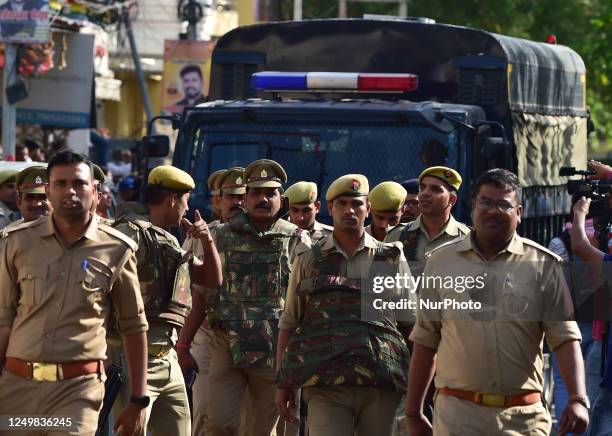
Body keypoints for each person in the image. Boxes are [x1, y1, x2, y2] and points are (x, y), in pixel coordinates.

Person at [405, 168, 589, 436]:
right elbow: (425, 340)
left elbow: (565, 338)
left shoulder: (543, 266)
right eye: (485, 202)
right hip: (458, 417)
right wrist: (414, 411)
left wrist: (577, 399)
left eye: (503, 204)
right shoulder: (441, 263)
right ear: (473, 208)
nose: (493, 210)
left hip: (522, 420)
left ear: (519, 213)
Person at [0, 150, 149, 436]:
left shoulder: (117, 249)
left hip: (77, 391)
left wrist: (138, 400)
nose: (70, 191)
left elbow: (134, 327)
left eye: (79, 184)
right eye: (60, 184)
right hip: (18, 389)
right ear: (48, 190)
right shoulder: (17, 243)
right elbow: (4, 320)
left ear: (94, 190)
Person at [276, 174, 412, 436]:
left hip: (381, 384)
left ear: (368, 209)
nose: (350, 210)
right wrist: (283, 384)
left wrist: (417, 390)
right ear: (330, 208)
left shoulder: (391, 257)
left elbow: (411, 325)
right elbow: (290, 321)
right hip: (326, 384)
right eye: (342, 203)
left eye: (356, 204)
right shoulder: (309, 259)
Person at [196, 159, 311, 436]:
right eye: (256, 193)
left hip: (274, 350)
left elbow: (307, 301)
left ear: (281, 200)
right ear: (244, 199)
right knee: (220, 424)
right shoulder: (220, 236)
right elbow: (202, 292)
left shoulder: (297, 240)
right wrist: (186, 341)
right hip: (227, 345)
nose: (262, 199)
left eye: (269, 193)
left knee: (260, 430)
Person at [110, 165, 222, 436]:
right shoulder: (129, 233)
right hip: (133, 358)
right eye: (185, 200)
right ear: (172, 199)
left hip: (167, 356)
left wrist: (207, 240)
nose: (187, 207)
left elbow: (211, 279)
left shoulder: (168, 239)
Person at [178, 166, 247, 436]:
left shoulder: (271, 236)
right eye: (231, 197)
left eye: (243, 196)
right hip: (207, 333)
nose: (238, 203)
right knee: (206, 412)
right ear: (217, 202)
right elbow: (186, 288)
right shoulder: (203, 236)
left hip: (254, 337)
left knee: (249, 419)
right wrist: (183, 341)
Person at [385, 166, 470, 275]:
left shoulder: (468, 239)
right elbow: (379, 284)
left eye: (435, 189)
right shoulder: (396, 235)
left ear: (452, 200)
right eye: (422, 188)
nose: (425, 193)